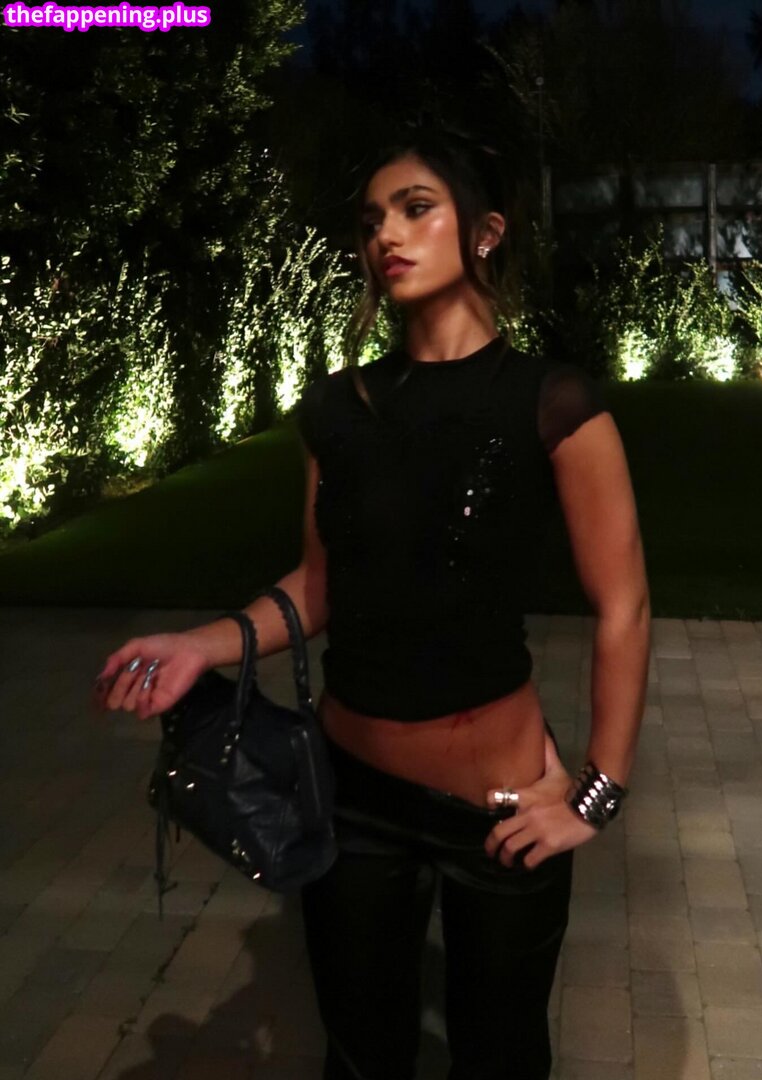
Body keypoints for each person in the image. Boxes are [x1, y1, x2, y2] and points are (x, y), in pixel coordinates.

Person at [95, 129, 650, 1080]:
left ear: (485, 231)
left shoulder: (550, 401)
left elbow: (625, 605)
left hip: (499, 806)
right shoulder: (336, 409)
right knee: (359, 1062)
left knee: (502, 1060)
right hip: (349, 802)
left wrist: (596, 795)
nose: (385, 235)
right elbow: (319, 585)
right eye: (369, 221)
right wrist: (202, 646)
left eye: (414, 208)